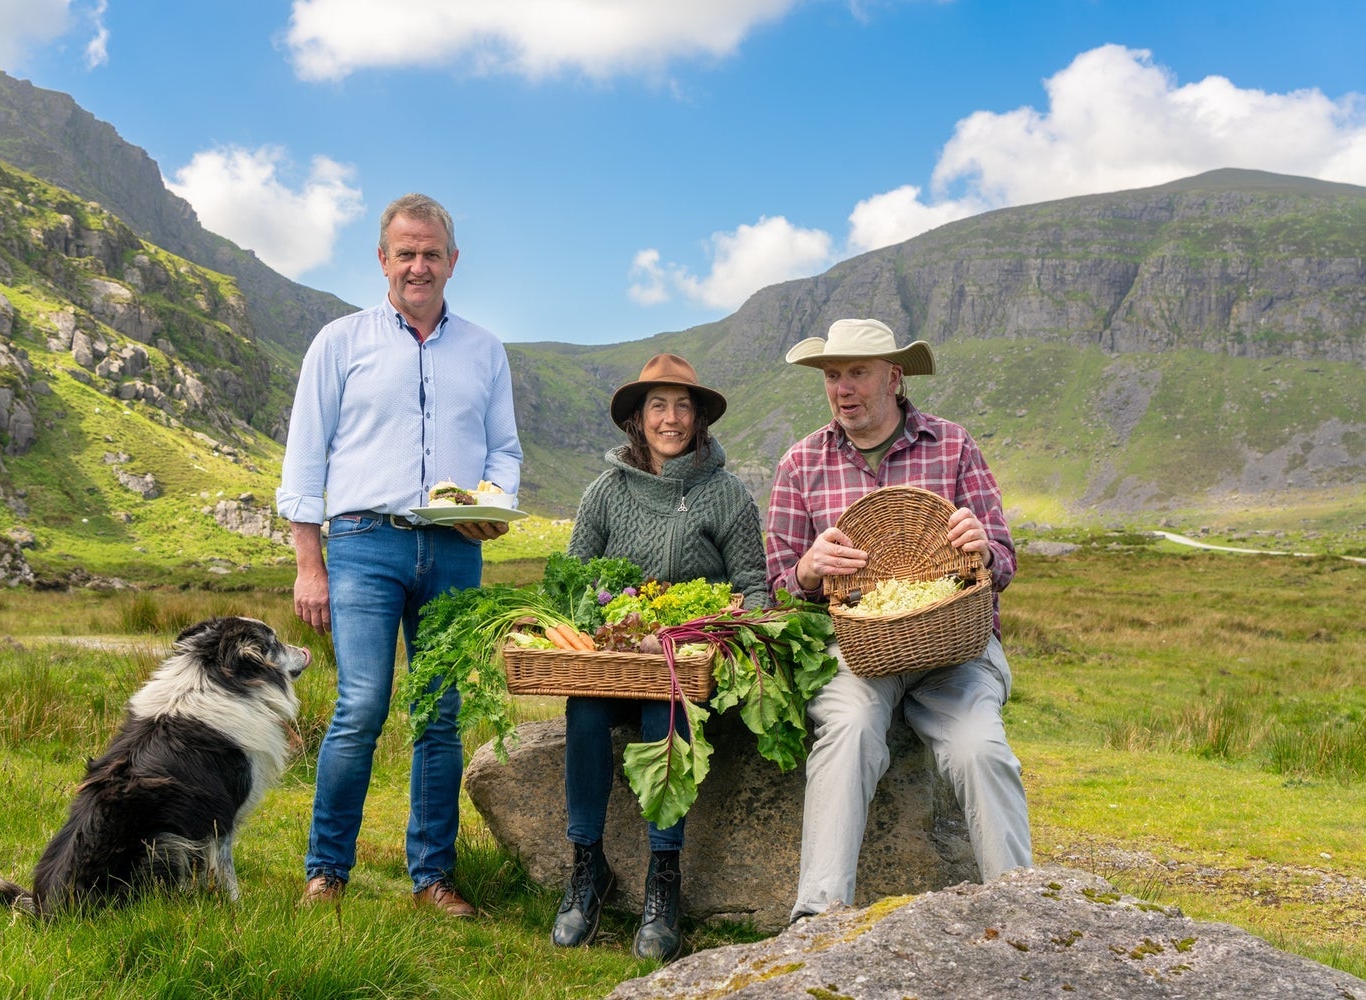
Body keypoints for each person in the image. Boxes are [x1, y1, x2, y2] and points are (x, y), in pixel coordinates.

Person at [276, 193, 523, 916]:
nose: (419, 265)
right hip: (361, 543)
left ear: (453, 261)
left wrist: (495, 504)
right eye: (405, 252)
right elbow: (304, 458)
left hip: (454, 548)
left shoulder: (485, 351)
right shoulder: (340, 342)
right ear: (382, 260)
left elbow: (504, 450)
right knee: (360, 707)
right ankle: (327, 871)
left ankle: (433, 878)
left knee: (441, 714)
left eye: (431, 252)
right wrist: (308, 564)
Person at [765, 318, 1031, 922]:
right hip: (858, 653)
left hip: (956, 653)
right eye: (833, 376)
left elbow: (1006, 562)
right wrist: (807, 571)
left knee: (979, 749)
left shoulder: (954, 445)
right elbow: (773, 590)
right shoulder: (801, 463)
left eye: (857, 372)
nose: (843, 388)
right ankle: (818, 920)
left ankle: (1023, 913)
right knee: (851, 728)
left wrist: (984, 548)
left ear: (894, 375)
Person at [553, 354, 768, 962]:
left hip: (687, 666)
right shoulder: (606, 492)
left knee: (663, 707)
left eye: (681, 405)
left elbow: (754, 585)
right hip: (617, 660)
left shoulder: (725, 493)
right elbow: (572, 583)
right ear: (637, 418)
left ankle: (662, 878)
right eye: (657, 405)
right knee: (585, 708)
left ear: (698, 416)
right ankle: (587, 868)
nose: (670, 418)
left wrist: (712, 637)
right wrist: (617, 630)